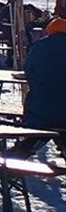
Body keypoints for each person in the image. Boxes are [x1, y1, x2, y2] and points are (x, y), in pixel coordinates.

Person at [9, 17, 66, 158]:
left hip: (40, 112)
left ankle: (16, 157)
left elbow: (28, 70)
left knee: (38, 133)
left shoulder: (40, 46)